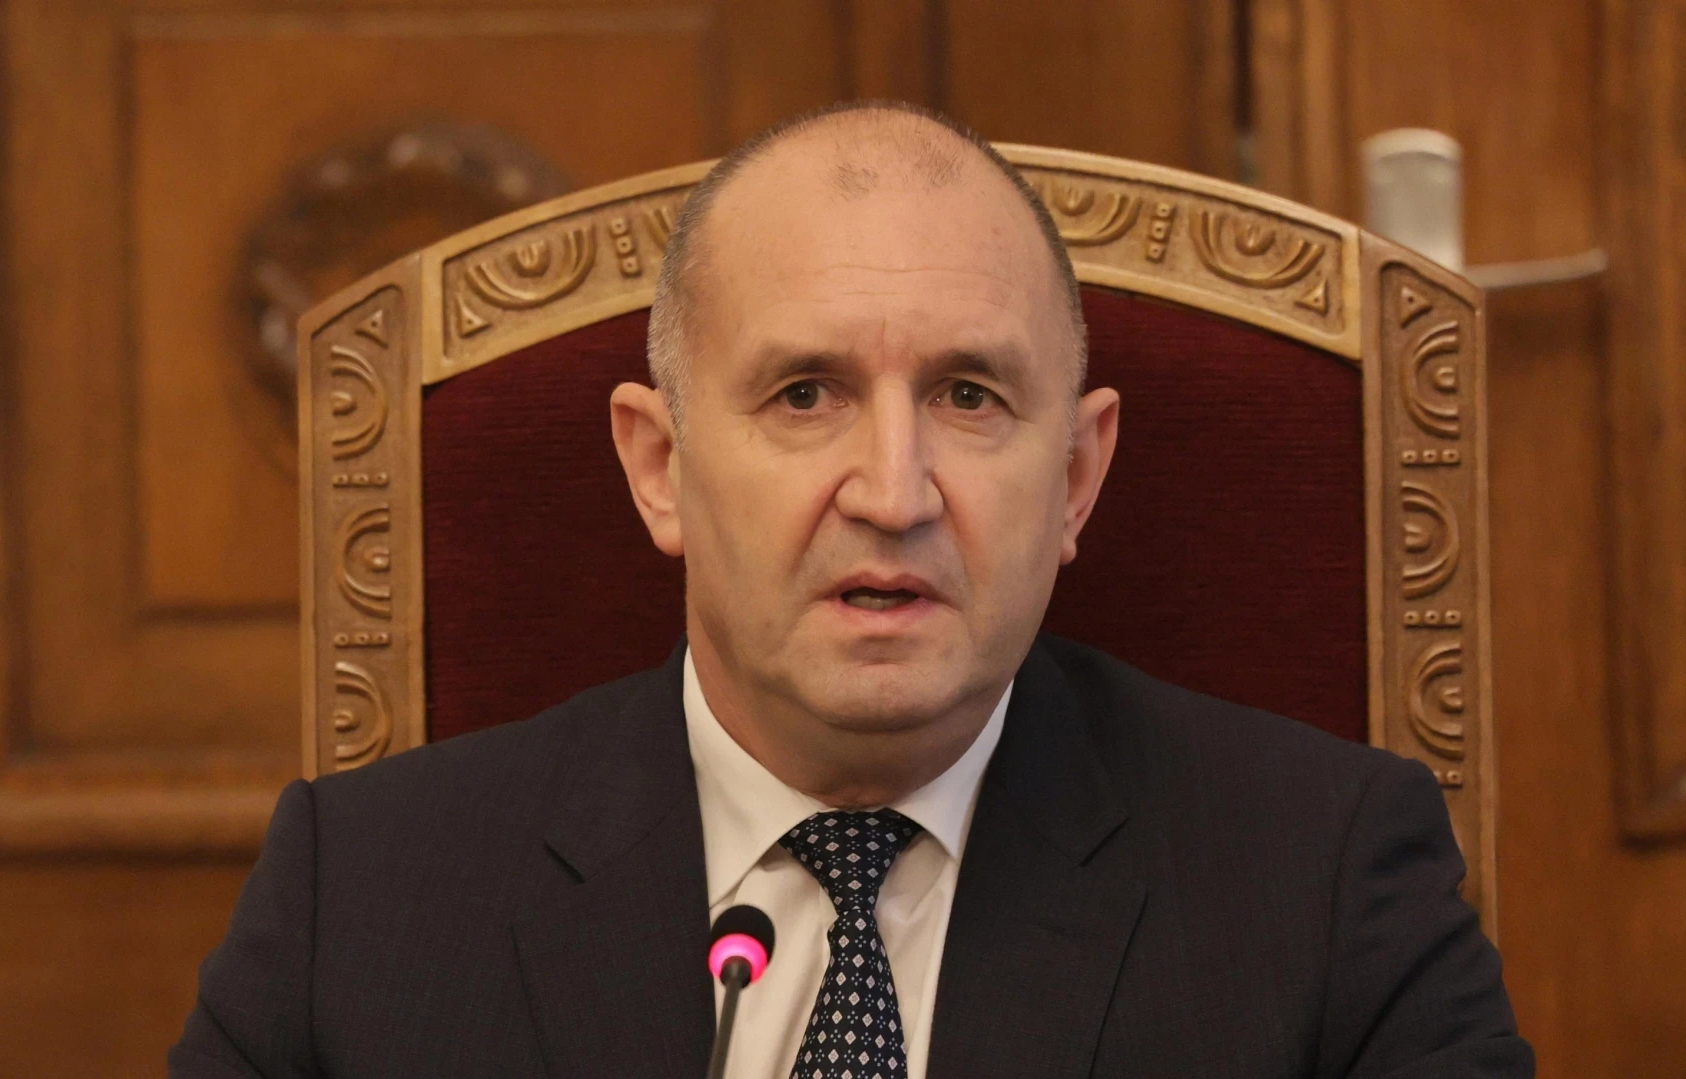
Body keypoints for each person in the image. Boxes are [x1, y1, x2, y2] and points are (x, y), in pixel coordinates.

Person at [170, 101, 1531, 1078]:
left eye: (969, 396)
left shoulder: (1327, 886)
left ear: (1075, 478)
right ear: (659, 467)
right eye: (806, 394)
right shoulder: (363, 900)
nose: (894, 489)